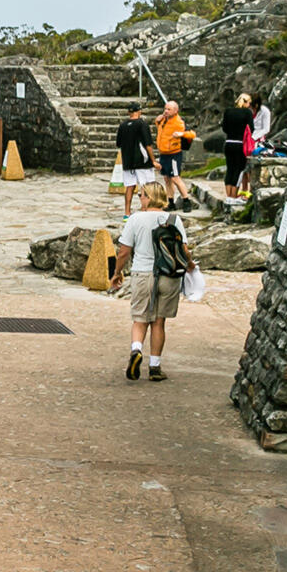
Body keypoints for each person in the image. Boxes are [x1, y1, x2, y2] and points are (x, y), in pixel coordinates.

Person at [109, 181, 198, 382]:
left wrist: (117, 272)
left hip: (142, 274)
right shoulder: (174, 219)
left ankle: (136, 351)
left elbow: (124, 252)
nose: (139, 198)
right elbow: (184, 250)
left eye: (141, 195)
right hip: (168, 275)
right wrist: (191, 265)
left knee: (140, 319)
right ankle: (155, 367)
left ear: (149, 197)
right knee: (159, 322)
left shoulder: (135, 219)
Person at [114, 105, 158, 214]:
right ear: (139, 111)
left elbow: (118, 143)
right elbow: (148, 144)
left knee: (130, 186)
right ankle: (145, 209)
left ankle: (127, 213)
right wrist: (153, 160)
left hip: (127, 161)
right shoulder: (142, 124)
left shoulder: (122, 125)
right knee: (145, 186)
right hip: (142, 160)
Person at [154, 101, 197, 208]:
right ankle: (171, 201)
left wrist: (181, 134)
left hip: (174, 154)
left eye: (169, 109)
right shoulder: (163, 119)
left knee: (175, 178)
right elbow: (161, 131)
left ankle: (186, 200)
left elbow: (192, 134)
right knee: (167, 179)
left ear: (175, 111)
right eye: (165, 109)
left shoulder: (179, 122)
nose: (166, 111)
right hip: (163, 153)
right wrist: (157, 121)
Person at [220, 94, 255, 199]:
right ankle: (233, 195)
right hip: (240, 144)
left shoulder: (228, 111)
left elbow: (224, 128)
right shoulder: (247, 113)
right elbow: (251, 129)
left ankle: (228, 195)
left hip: (229, 143)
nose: (249, 105)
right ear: (246, 102)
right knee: (239, 170)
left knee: (230, 169)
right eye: (249, 103)